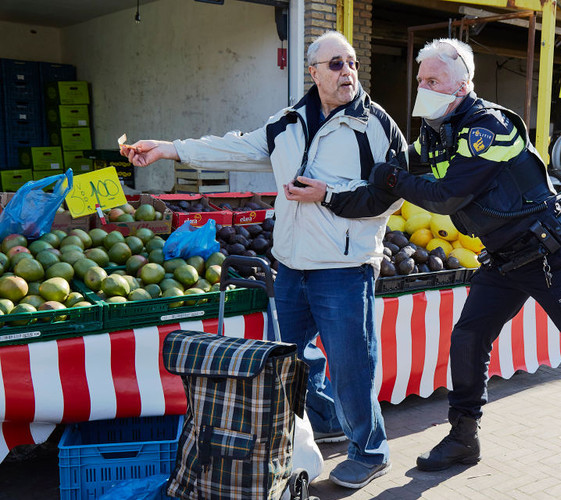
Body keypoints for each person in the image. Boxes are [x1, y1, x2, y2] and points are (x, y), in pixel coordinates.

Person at [320, 39, 561, 499]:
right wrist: (331, 196)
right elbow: (394, 180)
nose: (423, 88)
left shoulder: (488, 128)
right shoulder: (436, 134)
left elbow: (443, 197)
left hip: (551, 257)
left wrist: (389, 176)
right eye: (421, 80)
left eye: (432, 81)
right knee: (468, 338)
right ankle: (463, 436)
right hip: (504, 261)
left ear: (462, 84)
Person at [122, 30, 404, 490]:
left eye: (351, 62)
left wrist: (327, 194)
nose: (347, 72)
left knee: (353, 364)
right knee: (291, 361)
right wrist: (168, 148)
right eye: (335, 64)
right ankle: (327, 420)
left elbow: (394, 193)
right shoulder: (286, 123)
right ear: (313, 72)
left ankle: (369, 451)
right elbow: (232, 145)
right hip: (292, 266)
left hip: (345, 269)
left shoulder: (375, 125)